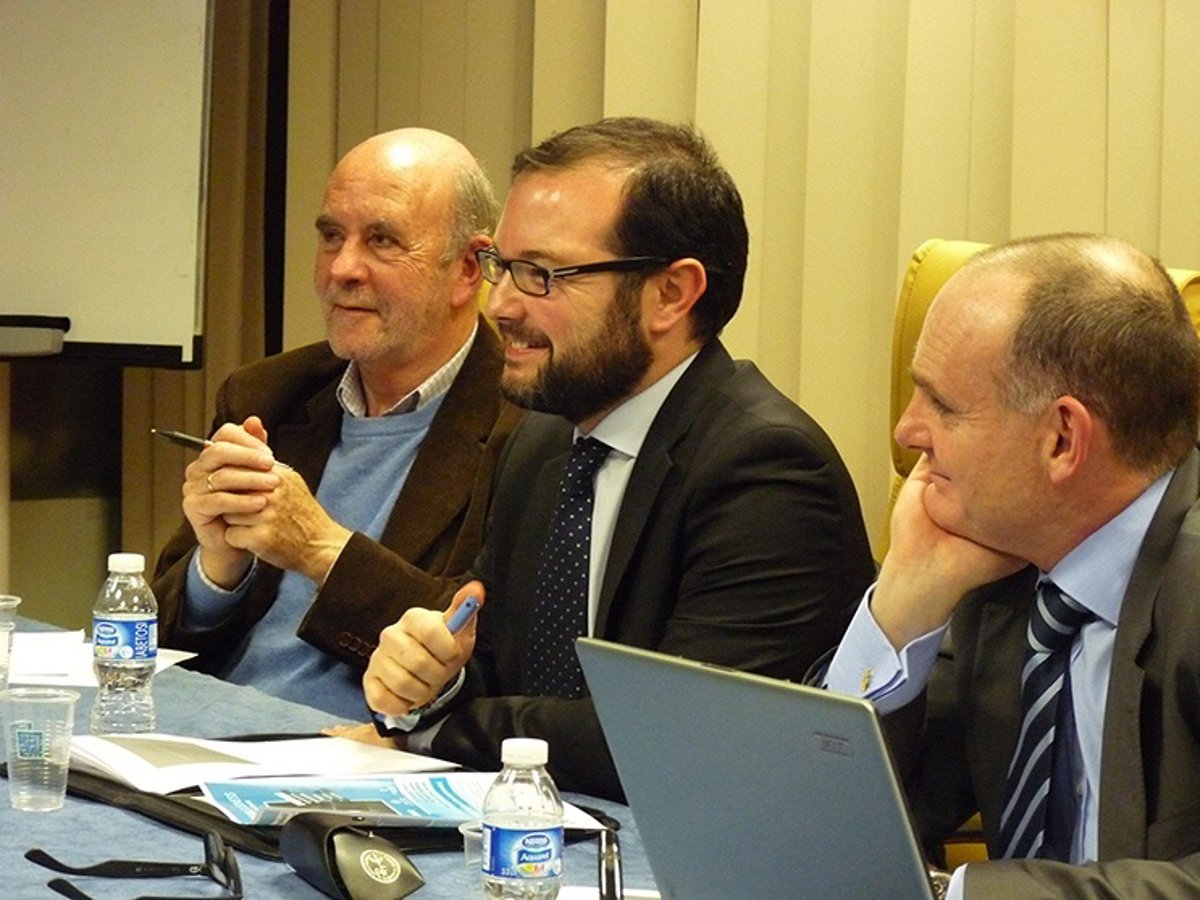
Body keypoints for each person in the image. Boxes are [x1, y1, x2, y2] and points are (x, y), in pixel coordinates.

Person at [361, 117, 876, 801]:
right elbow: (494, 662)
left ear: (671, 294)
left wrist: (437, 731)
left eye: (542, 274)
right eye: (501, 267)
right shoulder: (542, 443)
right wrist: (428, 679)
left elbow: (665, 739)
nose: (501, 305)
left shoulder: (767, 473)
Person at [824, 233, 1200, 897]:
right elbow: (826, 819)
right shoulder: (1001, 564)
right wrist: (904, 603)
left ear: (1063, 439)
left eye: (942, 405)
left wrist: (967, 896)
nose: (907, 432)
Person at [152, 128, 522, 719]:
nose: (342, 269)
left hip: (358, 748)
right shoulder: (268, 394)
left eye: (382, 240)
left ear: (467, 270)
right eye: (331, 236)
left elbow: (483, 655)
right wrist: (219, 567)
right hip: (199, 726)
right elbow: (157, 635)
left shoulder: (526, 427)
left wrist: (320, 549)